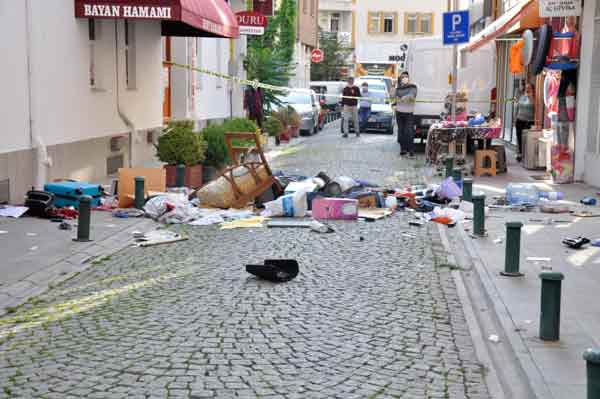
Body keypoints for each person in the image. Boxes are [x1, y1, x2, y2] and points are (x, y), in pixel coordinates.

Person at [395, 72, 418, 156]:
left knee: (409, 131)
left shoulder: (413, 87)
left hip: (409, 112)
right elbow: (394, 97)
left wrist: (404, 98)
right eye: (403, 77)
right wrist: (397, 97)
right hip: (399, 112)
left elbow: (412, 95)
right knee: (401, 131)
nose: (404, 78)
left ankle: (411, 149)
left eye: (406, 77)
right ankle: (403, 149)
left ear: (408, 78)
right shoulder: (398, 88)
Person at [515, 83, 535, 162]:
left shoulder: (533, 97)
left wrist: (530, 96)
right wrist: (515, 117)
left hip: (528, 121)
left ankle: (526, 155)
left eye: (529, 87)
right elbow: (517, 106)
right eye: (526, 87)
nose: (527, 89)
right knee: (519, 137)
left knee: (526, 139)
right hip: (519, 119)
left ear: (532, 89)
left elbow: (533, 105)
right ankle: (520, 153)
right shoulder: (522, 96)